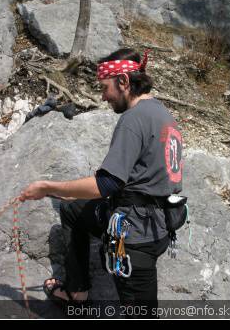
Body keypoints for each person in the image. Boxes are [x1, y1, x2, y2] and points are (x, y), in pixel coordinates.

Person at [19, 48, 183, 317]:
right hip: (160, 221)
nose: (102, 96)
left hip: (136, 238)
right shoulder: (163, 114)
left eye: (104, 87)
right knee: (74, 211)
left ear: (123, 82)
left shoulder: (132, 120)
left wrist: (48, 187)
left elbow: (106, 184)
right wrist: (72, 196)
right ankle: (78, 293)